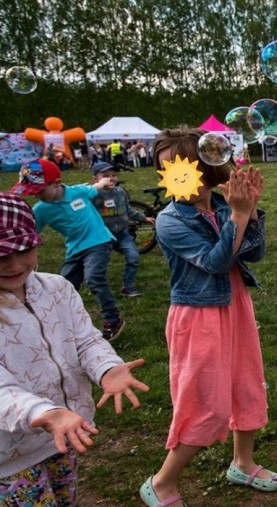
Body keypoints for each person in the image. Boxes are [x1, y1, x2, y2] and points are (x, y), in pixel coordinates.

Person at [141, 127, 277, 507]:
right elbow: (216, 263)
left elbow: (253, 254)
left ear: (207, 167)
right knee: (207, 403)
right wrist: (239, 213)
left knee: (246, 384)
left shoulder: (221, 206)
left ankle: (243, 462)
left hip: (235, 305)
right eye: (164, 169)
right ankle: (162, 482)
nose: (172, 176)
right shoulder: (171, 221)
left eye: (180, 167)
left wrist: (248, 210)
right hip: (199, 315)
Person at [0, 192, 148, 505]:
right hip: (9, 457)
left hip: (65, 435)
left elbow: (85, 340)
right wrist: (45, 413)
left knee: (66, 499)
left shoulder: (57, 287)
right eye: (1, 256)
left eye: (23, 249)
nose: (14, 263)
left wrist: (107, 368)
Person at [11, 159, 126, 341]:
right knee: (64, 285)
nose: (37, 196)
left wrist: (104, 182)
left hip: (98, 240)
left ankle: (112, 318)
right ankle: (65, 322)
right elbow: (32, 233)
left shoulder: (77, 192)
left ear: (56, 183)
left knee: (94, 277)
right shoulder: (40, 210)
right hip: (75, 248)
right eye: (33, 193)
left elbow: (94, 187)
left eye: (40, 191)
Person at [90, 161, 156, 297]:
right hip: (103, 236)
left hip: (122, 234)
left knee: (133, 257)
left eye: (114, 175)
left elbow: (128, 210)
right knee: (99, 264)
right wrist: (91, 189)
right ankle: (97, 286)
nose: (111, 178)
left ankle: (128, 286)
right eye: (106, 175)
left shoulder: (120, 192)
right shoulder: (93, 195)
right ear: (95, 179)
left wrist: (143, 218)